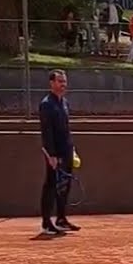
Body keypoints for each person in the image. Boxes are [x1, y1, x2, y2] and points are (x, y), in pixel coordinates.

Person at [38, 70, 81, 238]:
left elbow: (66, 129)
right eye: (59, 81)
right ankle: (46, 223)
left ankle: (61, 219)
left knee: (65, 186)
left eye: (64, 81)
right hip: (54, 153)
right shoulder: (46, 104)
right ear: (51, 83)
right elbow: (46, 132)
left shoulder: (64, 102)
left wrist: (72, 149)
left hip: (67, 150)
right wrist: (51, 155)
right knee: (50, 186)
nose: (63, 85)